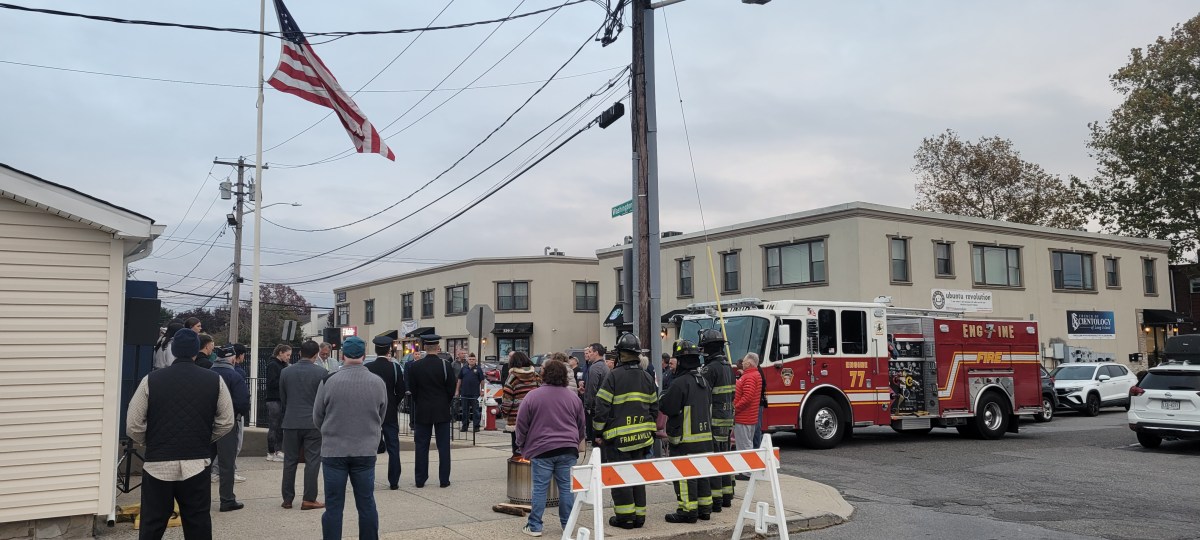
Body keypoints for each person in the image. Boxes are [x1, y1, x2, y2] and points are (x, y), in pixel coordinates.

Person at [126, 328, 234, 538]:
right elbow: (226, 421)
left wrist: (150, 440)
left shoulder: (151, 380)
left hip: (158, 462)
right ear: (197, 350)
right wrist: (206, 438)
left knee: (152, 522)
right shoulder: (214, 380)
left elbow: (133, 423)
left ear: (174, 350)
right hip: (196, 461)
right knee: (198, 522)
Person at [312, 336, 387, 540]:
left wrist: (331, 430)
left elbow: (317, 416)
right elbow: (381, 416)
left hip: (334, 451)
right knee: (366, 503)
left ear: (343, 354)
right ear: (363, 355)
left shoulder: (328, 380)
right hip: (365, 450)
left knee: (334, 506)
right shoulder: (378, 382)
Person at [592, 333, 658, 529]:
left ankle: (625, 518)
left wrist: (597, 433)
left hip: (618, 440)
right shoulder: (647, 377)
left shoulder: (613, 376)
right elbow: (655, 408)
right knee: (638, 476)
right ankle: (639, 516)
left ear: (620, 354)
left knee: (620, 477)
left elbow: (601, 408)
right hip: (642, 439)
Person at [515, 359, 584, 538]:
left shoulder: (533, 396)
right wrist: (576, 442)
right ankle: (567, 525)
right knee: (566, 489)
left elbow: (521, 425)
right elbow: (581, 425)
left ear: (544, 374)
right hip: (568, 448)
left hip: (542, 448)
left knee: (539, 489)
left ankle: (535, 526)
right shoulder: (573, 398)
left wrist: (522, 445)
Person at [660, 339, 714, 524]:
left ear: (682, 361)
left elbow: (668, 407)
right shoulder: (704, 381)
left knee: (684, 475)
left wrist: (662, 399)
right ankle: (704, 508)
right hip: (705, 438)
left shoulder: (680, 383)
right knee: (701, 473)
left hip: (685, 439)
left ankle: (687, 511)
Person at [280, 340, 326, 510]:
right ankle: (309, 498)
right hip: (313, 423)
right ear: (316, 355)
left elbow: (283, 398)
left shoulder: (285, 372)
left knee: (290, 460)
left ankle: (287, 498)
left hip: (290, 421)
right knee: (313, 461)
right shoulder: (322, 372)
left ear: (299, 353)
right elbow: (324, 400)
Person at [407, 334, 457, 488]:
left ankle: (420, 479)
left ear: (424, 348)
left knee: (421, 446)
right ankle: (444, 479)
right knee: (443, 447)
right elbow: (451, 388)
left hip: (422, 409)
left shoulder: (415, 366)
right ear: (438, 348)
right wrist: (445, 402)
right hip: (441, 409)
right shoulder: (445, 365)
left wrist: (420, 401)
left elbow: (413, 390)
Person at [699, 329, 736, 510]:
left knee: (714, 460)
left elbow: (702, 396)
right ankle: (727, 495)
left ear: (708, 349)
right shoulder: (728, 367)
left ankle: (717, 499)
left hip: (713, 421)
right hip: (727, 419)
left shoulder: (709, 369)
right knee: (725, 457)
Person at [210, 345, 249, 509]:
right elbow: (242, 402)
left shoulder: (207, 374)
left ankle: (199, 499)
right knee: (227, 464)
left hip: (206, 424)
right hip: (227, 424)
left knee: (204, 463)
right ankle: (227, 499)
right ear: (232, 358)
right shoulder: (235, 376)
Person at [365, 335, 405, 490]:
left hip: (371, 411)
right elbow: (401, 390)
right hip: (389, 411)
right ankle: (394, 480)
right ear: (389, 350)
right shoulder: (394, 368)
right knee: (393, 446)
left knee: (369, 447)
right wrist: (393, 402)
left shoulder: (368, 368)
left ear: (375, 350)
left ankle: (368, 479)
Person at [500, 351, 541, 455]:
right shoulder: (536, 376)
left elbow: (507, 400)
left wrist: (504, 412)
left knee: (518, 448)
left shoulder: (512, 377)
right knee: (533, 447)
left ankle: (519, 468)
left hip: (516, 418)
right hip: (534, 417)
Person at [733, 353, 763, 481]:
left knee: (744, 445)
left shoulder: (749, 377)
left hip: (744, 417)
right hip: (749, 417)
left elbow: (747, 398)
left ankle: (747, 473)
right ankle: (747, 471)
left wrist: (735, 408)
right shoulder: (754, 375)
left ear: (749, 363)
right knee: (748, 444)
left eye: (744, 361)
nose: (742, 363)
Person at [265, 344, 291, 462]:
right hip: (274, 399)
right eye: (287, 355)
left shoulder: (282, 365)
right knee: (274, 426)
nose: (288, 357)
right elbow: (271, 383)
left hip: (280, 399)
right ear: (280, 353)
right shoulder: (273, 365)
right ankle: (271, 451)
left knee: (280, 426)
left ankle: (277, 450)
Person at [582, 343, 610, 443]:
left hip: (594, 408)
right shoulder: (605, 367)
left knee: (594, 439)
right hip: (602, 406)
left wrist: (588, 406)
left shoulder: (595, 368)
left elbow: (592, 389)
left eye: (590, 352)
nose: (588, 355)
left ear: (596, 353)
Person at [456, 352, 486, 432]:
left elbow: (482, 380)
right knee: (465, 411)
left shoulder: (478, 369)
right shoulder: (464, 368)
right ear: (467, 360)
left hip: (475, 394)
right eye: (470, 359)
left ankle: (476, 426)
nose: (471, 361)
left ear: (475, 360)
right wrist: (457, 391)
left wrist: (482, 390)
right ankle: (464, 426)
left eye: (473, 359)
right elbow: (459, 380)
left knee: (476, 411)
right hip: (464, 393)